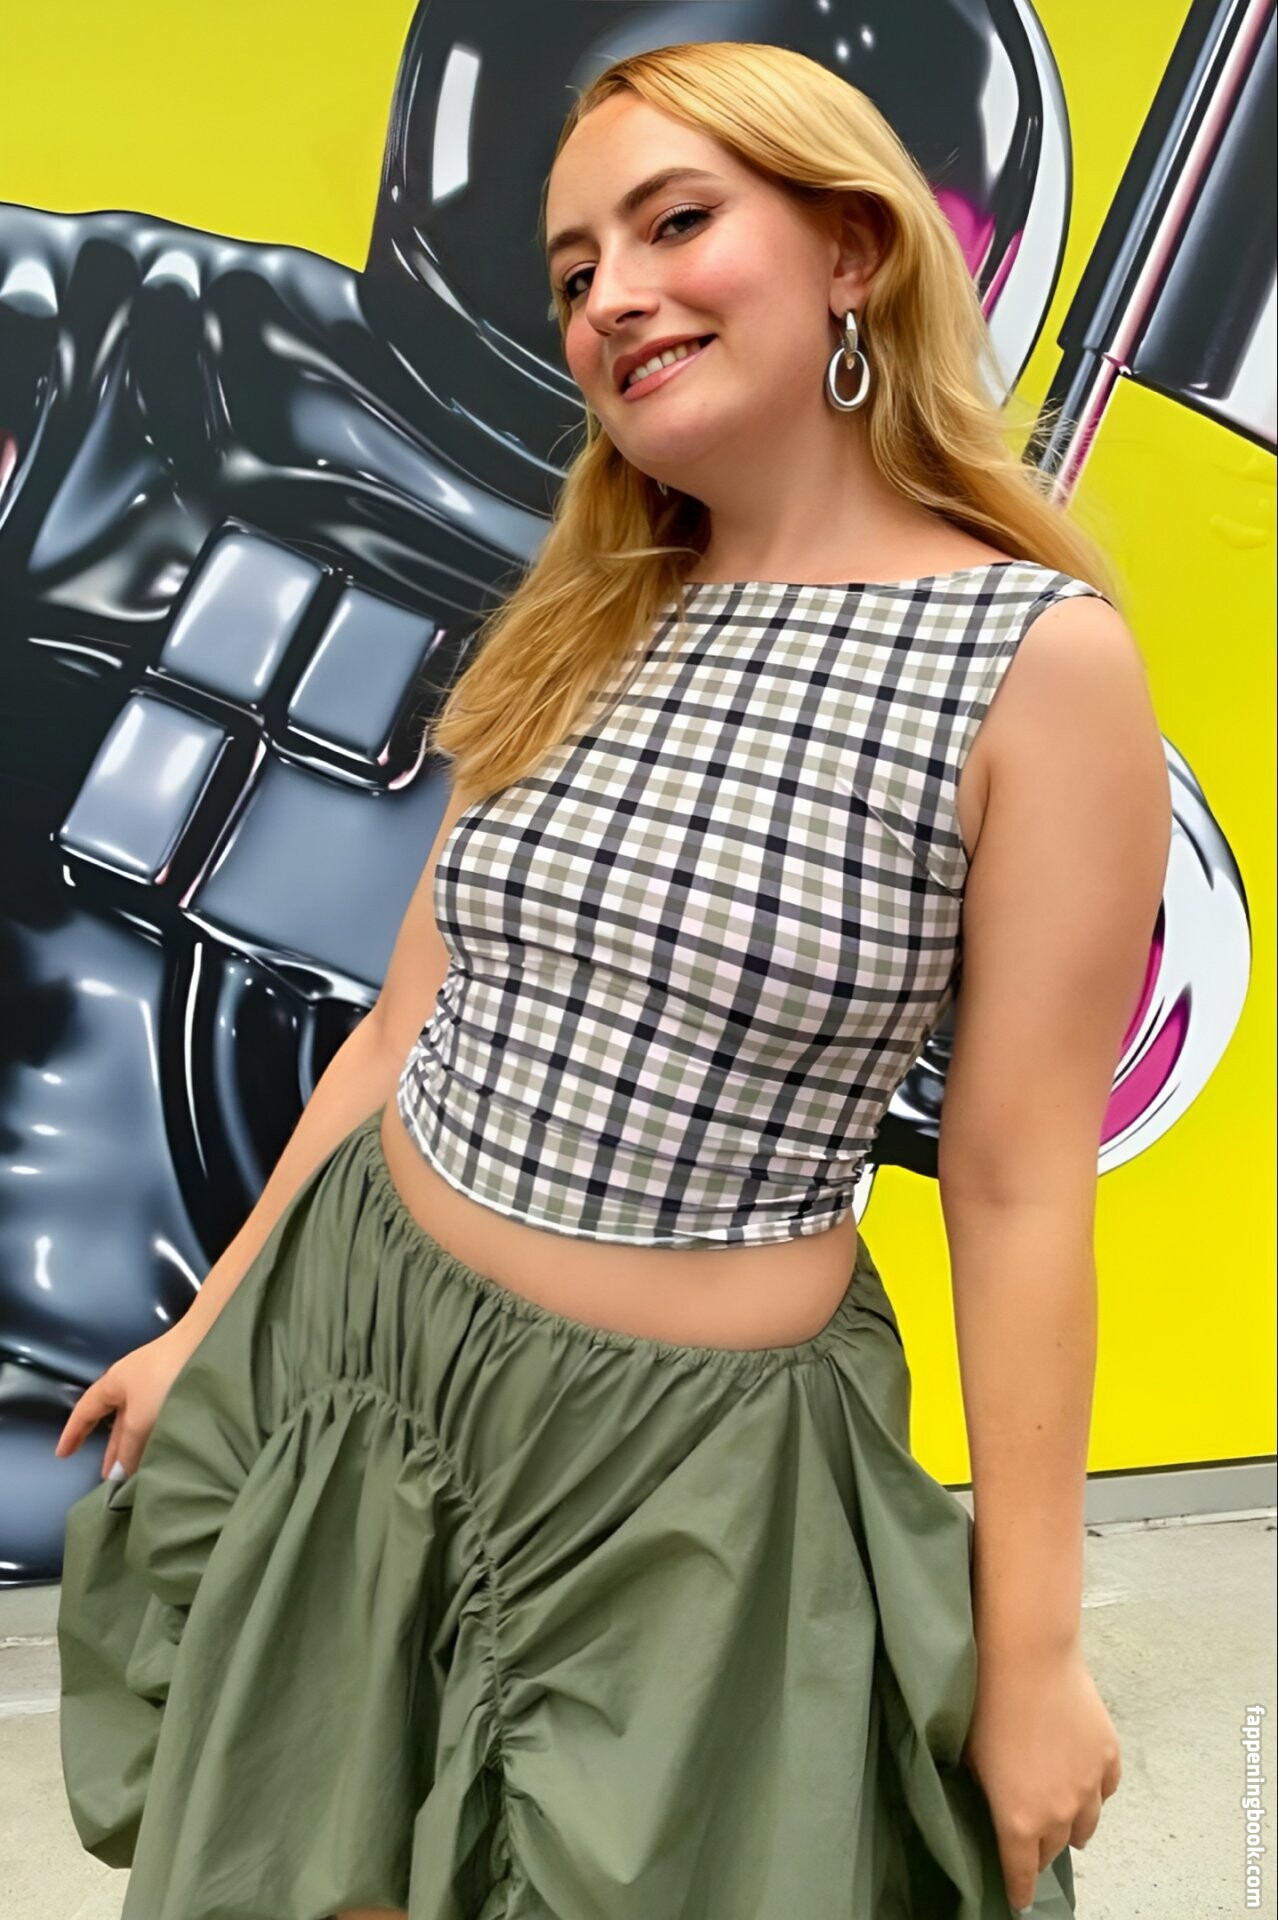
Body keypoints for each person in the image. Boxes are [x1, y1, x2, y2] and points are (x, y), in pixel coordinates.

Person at [53, 39, 1170, 1920]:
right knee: (323, 1857)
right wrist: (211, 1324)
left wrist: (1035, 1648)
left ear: (850, 250)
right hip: (369, 1358)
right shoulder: (581, 607)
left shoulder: (1033, 664)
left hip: (687, 1490)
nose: (612, 298)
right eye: (576, 270)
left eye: (675, 223)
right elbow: (402, 1029)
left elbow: (1012, 1187)